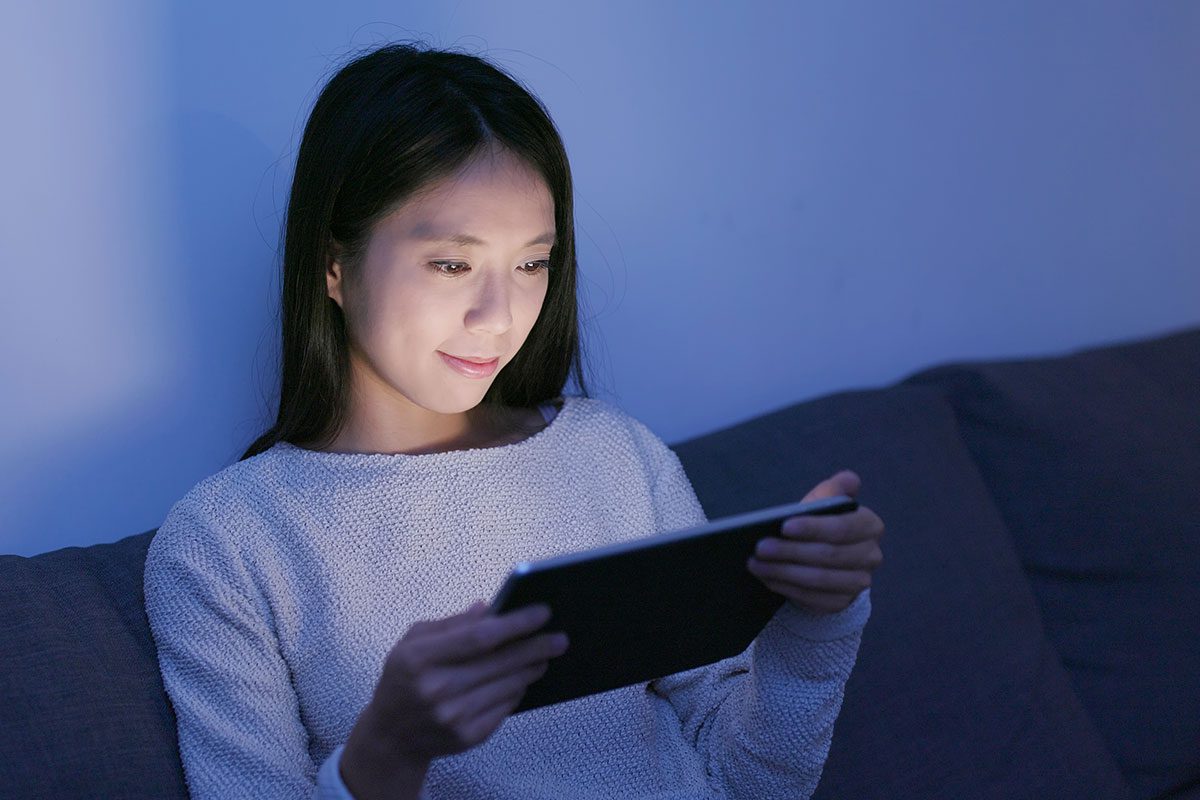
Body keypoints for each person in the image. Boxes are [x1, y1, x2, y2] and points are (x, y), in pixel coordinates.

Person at [143, 42, 885, 800]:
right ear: (335, 266)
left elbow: (750, 781)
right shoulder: (225, 545)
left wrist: (815, 621)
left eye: (532, 264)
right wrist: (389, 748)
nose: (499, 319)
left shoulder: (615, 457)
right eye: (451, 264)